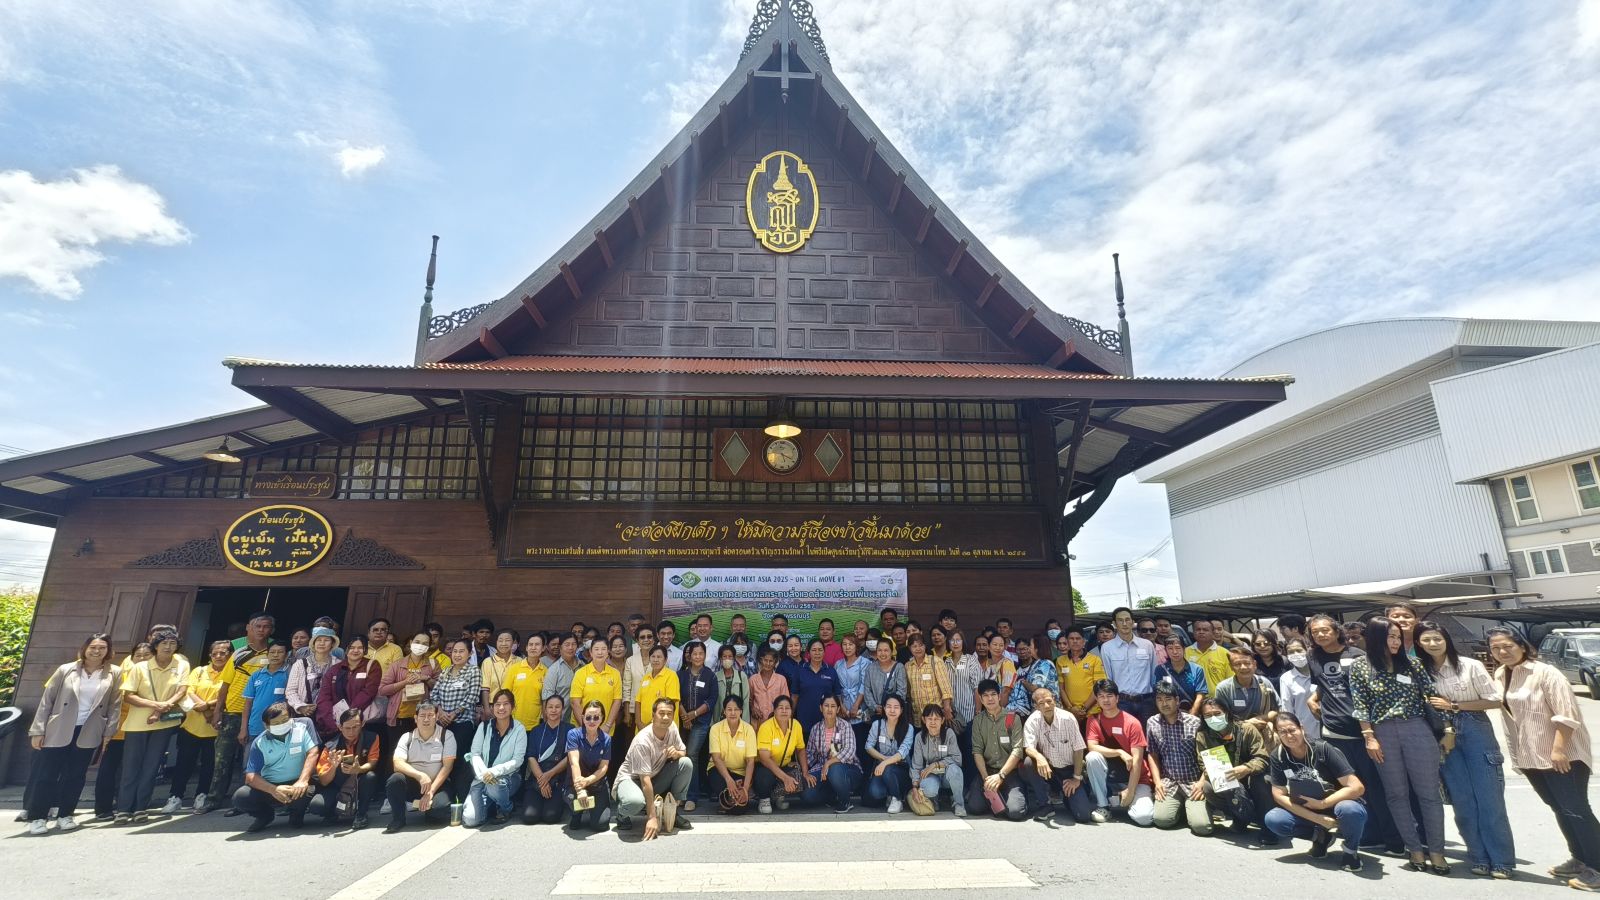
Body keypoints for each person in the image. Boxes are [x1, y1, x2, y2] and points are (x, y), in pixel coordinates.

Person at [1488, 626, 1600, 890]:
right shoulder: (1502, 674)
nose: (1502, 652)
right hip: (1531, 756)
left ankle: (1597, 866)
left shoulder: (1546, 673)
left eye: (1508, 646)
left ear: (1523, 646)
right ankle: (1580, 858)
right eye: (1496, 648)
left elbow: (1567, 715)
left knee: (1576, 809)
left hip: (1562, 755)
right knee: (1559, 808)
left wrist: (1559, 750)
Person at [1414, 621, 1514, 877]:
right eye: (1426, 640)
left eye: (1437, 638)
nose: (1433, 644)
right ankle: (1478, 856)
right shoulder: (1420, 670)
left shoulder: (1470, 665)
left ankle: (1501, 860)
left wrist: (1454, 706)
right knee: (1462, 800)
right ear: (1418, 644)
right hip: (1442, 732)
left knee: (1489, 797)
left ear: (1446, 638)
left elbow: (1494, 700)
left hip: (1474, 728)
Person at [1351, 616, 1447, 874]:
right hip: (1382, 734)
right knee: (1396, 795)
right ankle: (1414, 850)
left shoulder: (1413, 664)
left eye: (1396, 637)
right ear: (1375, 638)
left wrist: (1447, 728)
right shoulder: (1361, 667)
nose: (1394, 642)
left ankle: (1437, 852)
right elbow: (1360, 705)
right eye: (1389, 637)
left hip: (1417, 729)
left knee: (1428, 794)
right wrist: (1369, 737)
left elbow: (1433, 696)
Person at [1307, 614, 1401, 855]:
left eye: (1325, 630)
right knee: (1346, 787)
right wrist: (1314, 698)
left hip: (1361, 733)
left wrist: (1370, 733)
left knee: (1375, 787)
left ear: (1336, 631)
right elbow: (1323, 684)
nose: (1320, 635)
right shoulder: (1313, 656)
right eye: (1315, 632)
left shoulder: (1357, 655)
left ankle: (1392, 840)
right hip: (1332, 733)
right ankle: (1365, 835)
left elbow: (1372, 691)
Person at [24, 634, 120, 835]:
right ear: (85, 648)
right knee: (47, 774)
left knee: (76, 775)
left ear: (108, 651)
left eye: (102, 647)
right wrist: (38, 730)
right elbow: (46, 701)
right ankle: (37, 816)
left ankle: (65, 814)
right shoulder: (66, 670)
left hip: (89, 729)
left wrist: (108, 733)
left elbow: (114, 705)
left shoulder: (114, 673)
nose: (97, 651)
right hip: (59, 727)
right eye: (93, 647)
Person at [1264, 712, 1367, 872]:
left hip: (1336, 805)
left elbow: (1356, 787)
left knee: (1350, 810)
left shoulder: (1323, 749)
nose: (1289, 735)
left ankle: (1350, 851)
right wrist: (1317, 818)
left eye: (1292, 730)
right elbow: (1279, 795)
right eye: (1283, 732)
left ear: (1302, 728)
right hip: (1307, 809)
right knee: (1274, 819)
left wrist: (1323, 804)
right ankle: (1321, 837)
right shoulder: (1278, 756)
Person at [117, 626, 188, 823]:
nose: (168, 646)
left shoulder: (181, 665)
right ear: (155, 645)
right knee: (131, 767)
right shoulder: (140, 667)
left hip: (163, 723)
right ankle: (124, 808)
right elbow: (128, 695)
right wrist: (156, 705)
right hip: (137, 723)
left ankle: (141, 807)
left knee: (151, 767)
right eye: (163, 643)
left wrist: (159, 710)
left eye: (172, 643)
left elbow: (182, 691)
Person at [212, 613, 275, 805]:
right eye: (258, 626)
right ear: (250, 628)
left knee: (252, 760)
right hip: (234, 711)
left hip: (260, 714)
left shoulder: (274, 654)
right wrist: (217, 711)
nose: (262, 630)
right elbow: (225, 686)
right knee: (222, 759)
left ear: (271, 630)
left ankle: (243, 799)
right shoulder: (238, 654)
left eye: (266, 627)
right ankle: (214, 798)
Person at [232, 702, 319, 833]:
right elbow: (250, 776)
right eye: (277, 723)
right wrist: (273, 789)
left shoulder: (304, 724)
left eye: (285, 720)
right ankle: (265, 816)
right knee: (241, 797)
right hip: (271, 785)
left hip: (298, 781)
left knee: (306, 791)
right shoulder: (259, 742)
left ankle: (296, 814)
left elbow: (313, 752)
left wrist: (302, 781)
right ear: (266, 725)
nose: (283, 725)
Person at [1195, 697, 1273, 841]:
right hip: (1226, 779)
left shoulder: (1246, 729)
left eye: (1217, 713)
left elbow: (1263, 758)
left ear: (1227, 712)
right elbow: (1203, 764)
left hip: (1250, 777)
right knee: (1208, 787)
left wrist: (1246, 768)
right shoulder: (1203, 736)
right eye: (1208, 716)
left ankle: (1268, 827)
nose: (1214, 718)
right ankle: (1240, 817)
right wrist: (1218, 772)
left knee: (1263, 779)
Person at [166, 639, 229, 815]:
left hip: (215, 728)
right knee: (184, 763)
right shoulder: (199, 671)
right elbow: (189, 691)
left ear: (229, 655)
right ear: (210, 655)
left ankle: (202, 795)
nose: (218, 656)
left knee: (209, 765)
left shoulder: (231, 673)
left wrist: (208, 706)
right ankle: (175, 796)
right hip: (192, 726)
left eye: (222, 653)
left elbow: (230, 694)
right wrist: (206, 709)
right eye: (215, 653)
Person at [616, 697, 695, 837]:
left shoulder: (672, 727)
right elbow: (644, 780)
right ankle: (622, 812)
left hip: (654, 777)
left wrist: (677, 753)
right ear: (653, 716)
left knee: (686, 763)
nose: (665, 717)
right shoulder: (642, 741)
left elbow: (683, 751)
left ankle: (672, 811)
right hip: (632, 780)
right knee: (635, 802)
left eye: (669, 713)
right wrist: (651, 817)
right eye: (661, 713)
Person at [1084, 680, 1155, 826]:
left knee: (1144, 818)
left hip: (1136, 777)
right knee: (1092, 757)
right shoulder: (1093, 720)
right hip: (1112, 774)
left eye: (1109, 695)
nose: (1105, 700)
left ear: (1117, 698)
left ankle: (1130, 799)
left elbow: (1137, 760)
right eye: (1101, 696)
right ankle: (1103, 805)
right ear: (1096, 700)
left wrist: (1130, 791)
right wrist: (1119, 752)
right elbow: (1092, 746)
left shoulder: (1132, 722)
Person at [1145, 681, 1209, 835]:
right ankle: (1182, 809)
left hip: (1193, 782)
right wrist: (1157, 782)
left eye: (1168, 699)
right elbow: (1152, 754)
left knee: (1202, 827)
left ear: (1177, 700)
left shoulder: (1195, 722)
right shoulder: (1152, 723)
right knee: (1162, 820)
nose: (1164, 703)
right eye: (1159, 699)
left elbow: (1209, 754)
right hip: (1170, 782)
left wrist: (1202, 783)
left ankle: (1194, 809)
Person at [1021, 686, 1092, 824]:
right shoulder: (1032, 721)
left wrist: (1076, 778)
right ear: (1036, 706)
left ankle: (1071, 794)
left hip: (1068, 771)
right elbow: (1028, 747)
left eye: (1049, 701)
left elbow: (1078, 749)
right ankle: (1045, 804)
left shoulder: (1068, 719)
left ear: (1055, 700)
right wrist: (1039, 757)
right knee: (1029, 762)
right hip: (1049, 770)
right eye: (1041, 703)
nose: (1046, 706)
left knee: (1083, 816)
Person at [384, 702, 456, 833]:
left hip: (437, 784)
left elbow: (447, 766)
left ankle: (430, 811)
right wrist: (420, 775)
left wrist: (431, 792)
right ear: (416, 718)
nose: (427, 719)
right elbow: (397, 763)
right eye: (422, 715)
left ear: (437, 716)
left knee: (440, 812)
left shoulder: (447, 735)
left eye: (430, 715)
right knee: (395, 780)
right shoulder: (407, 737)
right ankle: (398, 818)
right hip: (414, 783)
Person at [380, 632, 442, 782]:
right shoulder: (398, 664)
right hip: (399, 716)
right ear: (411, 641)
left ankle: (415, 787)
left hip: (421, 718)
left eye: (425, 643)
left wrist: (426, 678)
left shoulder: (433, 664)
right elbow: (382, 689)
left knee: (418, 754)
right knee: (395, 753)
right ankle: (391, 788)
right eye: (418, 641)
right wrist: (404, 682)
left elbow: (440, 687)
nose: (420, 645)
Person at [968, 679, 1031, 821]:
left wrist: (1001, 776)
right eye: (985, 695)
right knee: (974, 808)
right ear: (980, 699)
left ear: (999, 696)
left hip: (1009, 772)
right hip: (988, 771)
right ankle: (996, 797)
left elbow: (1017, 750)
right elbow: (977, 751)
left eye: (993, 694)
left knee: (1016, 813)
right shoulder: (978, 721)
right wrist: (986, 778)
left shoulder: (1012, 718)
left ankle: (1014, 794)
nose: (990, 698)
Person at [309, 708, 380, 829]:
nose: (351, 732)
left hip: (359, 782)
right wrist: (333, 767)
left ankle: (361, 814)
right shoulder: (330, 746)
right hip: (336, 784)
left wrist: (359, 769)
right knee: (317, 805)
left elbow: (373, 762)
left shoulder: (372, 737)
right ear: (340, 727)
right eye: (347, 728)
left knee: (370, 777)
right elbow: (324, 781)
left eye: (355, 727)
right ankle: (332, 814)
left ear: (362, 724)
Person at [463, 690, 526, 827]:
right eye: (497, 704)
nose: (501, 708)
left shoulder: (519, 729)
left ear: (513, 707)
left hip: (508, 777)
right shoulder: (484, 727)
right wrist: (484, 773)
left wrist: (494, 772)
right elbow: (475, 753)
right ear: (492, 708)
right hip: (482, 778)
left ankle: (506, 808)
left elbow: (518, 760)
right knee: (471, 820)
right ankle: (492, 804)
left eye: (506, 704)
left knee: (495, 785)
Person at [431, 638, 483, 799]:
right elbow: (434, 694)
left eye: (461, 651)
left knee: (459, 760)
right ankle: (444, 795)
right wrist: (440, 712)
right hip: (442, 723)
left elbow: (473, 696)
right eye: (455, 651)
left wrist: (453, 714)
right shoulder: (445, 670)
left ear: (470, 653)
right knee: (442, 760)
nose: (457, 654)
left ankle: (460, 797)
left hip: (462, 723)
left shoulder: (473, 671)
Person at [316, 635, 382, 747]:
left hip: (358, 721)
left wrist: (348, 717)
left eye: (360, 648)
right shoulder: (335, 669)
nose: (355, 650)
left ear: (365, 650)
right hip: (335, 723)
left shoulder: (372, 666)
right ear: (346, 650)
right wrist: (331, 722)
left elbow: (368, 692)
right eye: (352, 647)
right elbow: (324, 696)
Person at [753, 695, 811, 813]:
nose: (784, 711)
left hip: (784, 765)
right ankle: (764, 799)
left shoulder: (796, 725)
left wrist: (805, 772)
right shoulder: (766, 727)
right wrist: (785, 779)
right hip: (765, 767)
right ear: (774, 710)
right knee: (765, 777)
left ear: (791, 711)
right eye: (780, 708)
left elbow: (800, 750)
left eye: (787, 708)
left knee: (802, 780)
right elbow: (765, 759)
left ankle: (779, 795)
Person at [1098, 608, 1157, 722]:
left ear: (1132, 622)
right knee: (1123, 737)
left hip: (1146, 701)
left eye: (1127, 619)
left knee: (1148, 737)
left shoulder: (1147, 645)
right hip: (1122, 702)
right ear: (1114, 624)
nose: (1124, 623)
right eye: (1120, 620)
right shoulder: (1107, 648)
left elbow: (1153, 674)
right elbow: (1108, 677)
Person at [804, 695, 861, 812]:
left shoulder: (845, 726)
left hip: (848, 770)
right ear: (821, 708)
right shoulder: (816, 729)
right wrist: (808, 772)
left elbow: (850, 751)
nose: (829, 709)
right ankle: (832, 795)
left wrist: (828, 763)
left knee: (835, 769)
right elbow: (810, 754)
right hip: (823, 771)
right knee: (807, 795)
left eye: (833, 706)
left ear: (838, 709)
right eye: (826, 706)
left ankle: (845, 801)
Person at [524, 694, 574, 825]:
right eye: (550, 707)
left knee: (550, 816)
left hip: (558, 779)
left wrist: (549, 775)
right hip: (537, 779)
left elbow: (570, 757)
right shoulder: (536, 730)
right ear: (545, 710)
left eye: (557, 707)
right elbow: (531, 757)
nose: (553, 710)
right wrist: (542, 780)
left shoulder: (570, 730)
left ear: (563, 709)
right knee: (530, 816)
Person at [566, 700, 614, 832]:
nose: (592, 720)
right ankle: (577, 814)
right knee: (575, 811)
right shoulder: (573, 734)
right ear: (582, 718)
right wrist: (580, 789)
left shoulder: (607, 739)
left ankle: (591, 810)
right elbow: (574, 762)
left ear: (602, 718)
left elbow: (603, 767)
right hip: (576, 783)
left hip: (597, 784)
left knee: (600, 825)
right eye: (588, 717)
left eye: (596, 717)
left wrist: (588, 781)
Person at [678, 641, 715, 809]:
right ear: (689, 656)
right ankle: (680, 794)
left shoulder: (710, 676)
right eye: (695, 654)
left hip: (701, 722)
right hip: (681, 721)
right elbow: (675, 697)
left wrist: (693, 715)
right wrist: (685, 716)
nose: (698, 657)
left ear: (705, 656)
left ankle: (691, 797)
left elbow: (711, 701)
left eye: (701, 654)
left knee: (692, 755)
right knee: (679, 756)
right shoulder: (681, 675)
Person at [1213, 646, 1279, 740]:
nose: (1243, 667)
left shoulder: (1264, 683)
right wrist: (1247, 724)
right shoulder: (1223, 688)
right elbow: (1221, 719)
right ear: (1231, 667)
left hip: (1263, 735)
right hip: (1236, 737)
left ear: (1255, 664)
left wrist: (1260, 719)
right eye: (1237, 664)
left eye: (1247, 663)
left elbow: (1277, 711)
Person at [909, 703, 964, 816]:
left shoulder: (949, 733)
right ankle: (934, 799)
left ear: (942, 720)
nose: (933, 722)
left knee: (955, 771)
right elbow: (916, 765)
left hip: (947, 775)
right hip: (931, 775)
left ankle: (959, 803)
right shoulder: (920, 737)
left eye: (936, 719)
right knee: (929, 788)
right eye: (930, 719)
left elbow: (957, 759)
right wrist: (914, 787)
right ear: (924, 720)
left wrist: (936, 765)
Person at [708, 695, 758, 813]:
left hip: (741, 773)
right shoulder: (715, 729)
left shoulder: (748, 729)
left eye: (736, 709)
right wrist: (729, 780)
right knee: (722, 785)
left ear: (741, 711)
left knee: (739, 809)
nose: (733, 713)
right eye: (729, 709)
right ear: (724, 711)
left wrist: (745, 789)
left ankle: (733, 799)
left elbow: (750, 761)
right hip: (720, 771)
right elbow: (716, 758)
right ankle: (728, 798)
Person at [864, 694, 914, 813]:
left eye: (896, 707)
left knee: (888, 769)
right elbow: (868, 746)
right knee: (875, 792)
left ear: (901, 710)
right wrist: (883, 759)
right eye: (889, 706)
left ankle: (897, 799)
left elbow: (902, 753)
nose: (892, 710)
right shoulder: (877, 725)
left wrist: (884, 763)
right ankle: (891, 794)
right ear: (884, 708)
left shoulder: (908, 728)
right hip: (882, 768)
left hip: (902, 770)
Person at [286, 626, 339, 737]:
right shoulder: (300, 664)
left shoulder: (338, 665)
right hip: (303, 714)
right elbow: (290, 690)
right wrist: (301, 706)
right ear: (313, 643)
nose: (322, 643)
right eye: (318, 640)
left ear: (332, 644)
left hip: (329, 715)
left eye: (326, 640)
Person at [570, 637, 623, 735]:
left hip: (605, 729)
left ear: (608, 652)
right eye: (596, 649)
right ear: (590, 652)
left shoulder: (615, 674)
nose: (600, 652)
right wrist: (586, 727)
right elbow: (575, 703)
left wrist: (607, 725)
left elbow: (617, 701)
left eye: (603, 649)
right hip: (582, 729)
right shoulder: (581, 673)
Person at [793, 638, 842, 736]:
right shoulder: (800, 671)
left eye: (820, 650)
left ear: (824, 652)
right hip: (804, 721)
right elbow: (794, 696)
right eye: (814, 650)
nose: (817, 653)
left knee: (827, 750)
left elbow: (838, 696)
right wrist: (791, 716)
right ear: (808, 653)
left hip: (826, 721)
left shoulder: (831, 671)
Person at [1057, 630, 1108, 722]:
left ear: (1084, 641)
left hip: (1092, 712)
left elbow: (1098, 687)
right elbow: (1061, 688)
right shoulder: (1060, 661)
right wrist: (1071, 708)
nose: (1075, 641)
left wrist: (1084, 709)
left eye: (1078, 638)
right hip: (1070, 713)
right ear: (1067, 641)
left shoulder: (1095, 659)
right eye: (1071, 639)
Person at [1154, 634, 1207, 715]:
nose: (1175, 652)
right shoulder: (1160, 669)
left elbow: (1201, 694)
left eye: (1178, 648)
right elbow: (1160, 694)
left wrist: (1193, 712)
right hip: (1170, 714)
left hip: (1192, 711)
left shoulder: (1197, 669)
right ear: (1166, 650)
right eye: (1170, 648)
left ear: (1184, 649)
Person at [504, 633, 548, 732]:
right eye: (530, 644)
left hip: (536, 724)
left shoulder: (546, 671)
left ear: (543, 648)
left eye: (537, 645)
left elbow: (545, 699)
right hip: (514, 722)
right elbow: (506, 694)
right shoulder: (514, 668)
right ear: (526, 648)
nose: (533, 647)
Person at [1005, 635, 1058, 716]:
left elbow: (1036, 688)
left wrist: (1022, 682)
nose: (1029, 648)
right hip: (1039, 710)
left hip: (1048, 709)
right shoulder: (1037, 663)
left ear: (1037, 648)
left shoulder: (1045, 664)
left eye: (1030, 645)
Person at [861, 637, 907, 726]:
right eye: (879, 650)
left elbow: (902, 691)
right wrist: (875, 707)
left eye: (886, 650)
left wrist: (889, 708)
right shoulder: (870, 668)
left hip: (895, 714)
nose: (882, 653)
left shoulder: (899, 667)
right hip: (876, 714)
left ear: (891, 651)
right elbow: (867, 691)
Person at [835, 634, 871, 746]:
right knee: (844, 743)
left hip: (860, 707)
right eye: (844, 644)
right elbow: (836, 687)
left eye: (851, 644)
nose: (847, 647)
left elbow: (864, 685)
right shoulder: (838, 664)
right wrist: (841, 706)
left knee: (860, 741)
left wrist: (856, 705)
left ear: (856, 646)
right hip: (843, 707)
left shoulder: (864, 662)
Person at [635, 645, 681, 725]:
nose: (655, 660)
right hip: (642, 727)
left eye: (659, 657)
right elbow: (638, 701)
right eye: (653, 657)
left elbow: (670, 704)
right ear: (649, 659)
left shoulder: (671, 676)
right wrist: (638, 722)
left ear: (665, 660)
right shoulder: (646, 677)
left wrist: (650, 724)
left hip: (663, 726)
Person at [1184, 619, 1233, 694]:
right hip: (1193, 700)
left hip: (1218, 701)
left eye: (1205, 630)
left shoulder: (1225, 653)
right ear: (1193, 633)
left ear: (1212, 633)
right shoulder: (1185, 652)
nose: (1201, 632)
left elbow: (1231, 680)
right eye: (1198, 629)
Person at [622, 625, 657, 729]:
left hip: (654, 710)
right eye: (642, 637)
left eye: (649, 636)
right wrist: (627, 713)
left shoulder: (660, 659)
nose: (646, 640)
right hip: (633, 711)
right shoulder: (630, 661)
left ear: (654, 639)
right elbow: (626, 687)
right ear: (637, 640)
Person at [479, 628, 521, 711]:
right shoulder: (488, 662)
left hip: (515, 708)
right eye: (500, 640)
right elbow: (485, 689)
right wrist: (487, 710)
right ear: (496, 642)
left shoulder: (520, 661)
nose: (503, 643)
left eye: (507, 640)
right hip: (493, 707)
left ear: (513, 643)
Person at [749, 646, 790, 728]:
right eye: (765, 660)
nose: (768, 664)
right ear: (761, 660)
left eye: (771, 661)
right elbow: (749, 699)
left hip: (777, 720)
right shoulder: (753, 679)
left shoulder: (781, 679)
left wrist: (777, 712)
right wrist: (753, 708)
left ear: (775, 662)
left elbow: (785, 700)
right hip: (758, 721)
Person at [542, 634, 580, 720]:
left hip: (580, 720)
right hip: (560, 720)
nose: (571, 647)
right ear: (560, 647)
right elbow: (546, 699)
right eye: (567, 645)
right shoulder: (554, 669)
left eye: (574, 644)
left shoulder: (583, 667)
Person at [714, 644, 750, 723]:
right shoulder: (715, 677)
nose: (727, 659)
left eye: (730, 657)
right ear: (720, 658)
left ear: (734, 658)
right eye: (724, 656)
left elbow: (746, 700)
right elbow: (713, 701)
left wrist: (745, 722)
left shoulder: (742, 676)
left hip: (738, 720)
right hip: (720, 720)